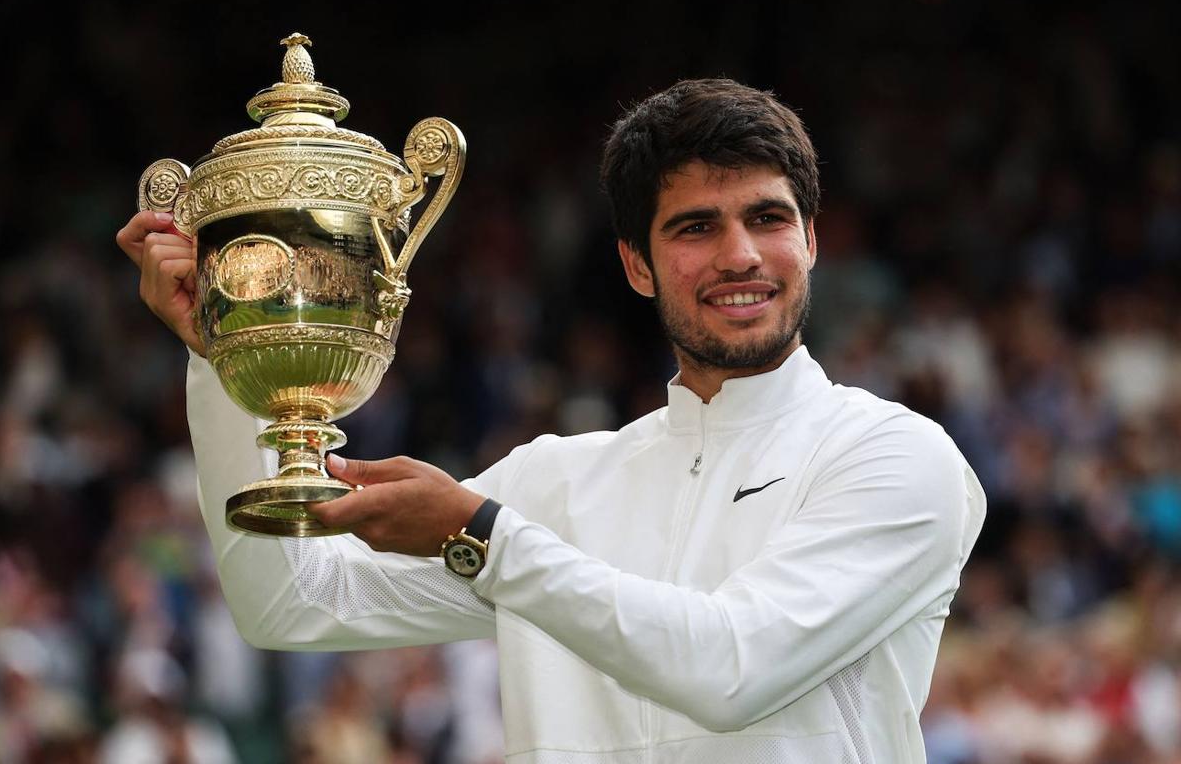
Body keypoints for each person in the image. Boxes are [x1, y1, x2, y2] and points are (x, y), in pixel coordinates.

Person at [118, 78, 986, 762]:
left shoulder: (897, 457)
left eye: (769, 218)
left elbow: (733, 670)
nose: (740, 256)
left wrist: (484, 538)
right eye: (695, 228)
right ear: (636, 265)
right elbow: (293, 604)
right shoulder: (558, 480)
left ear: (812, 241)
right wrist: (223, 355)